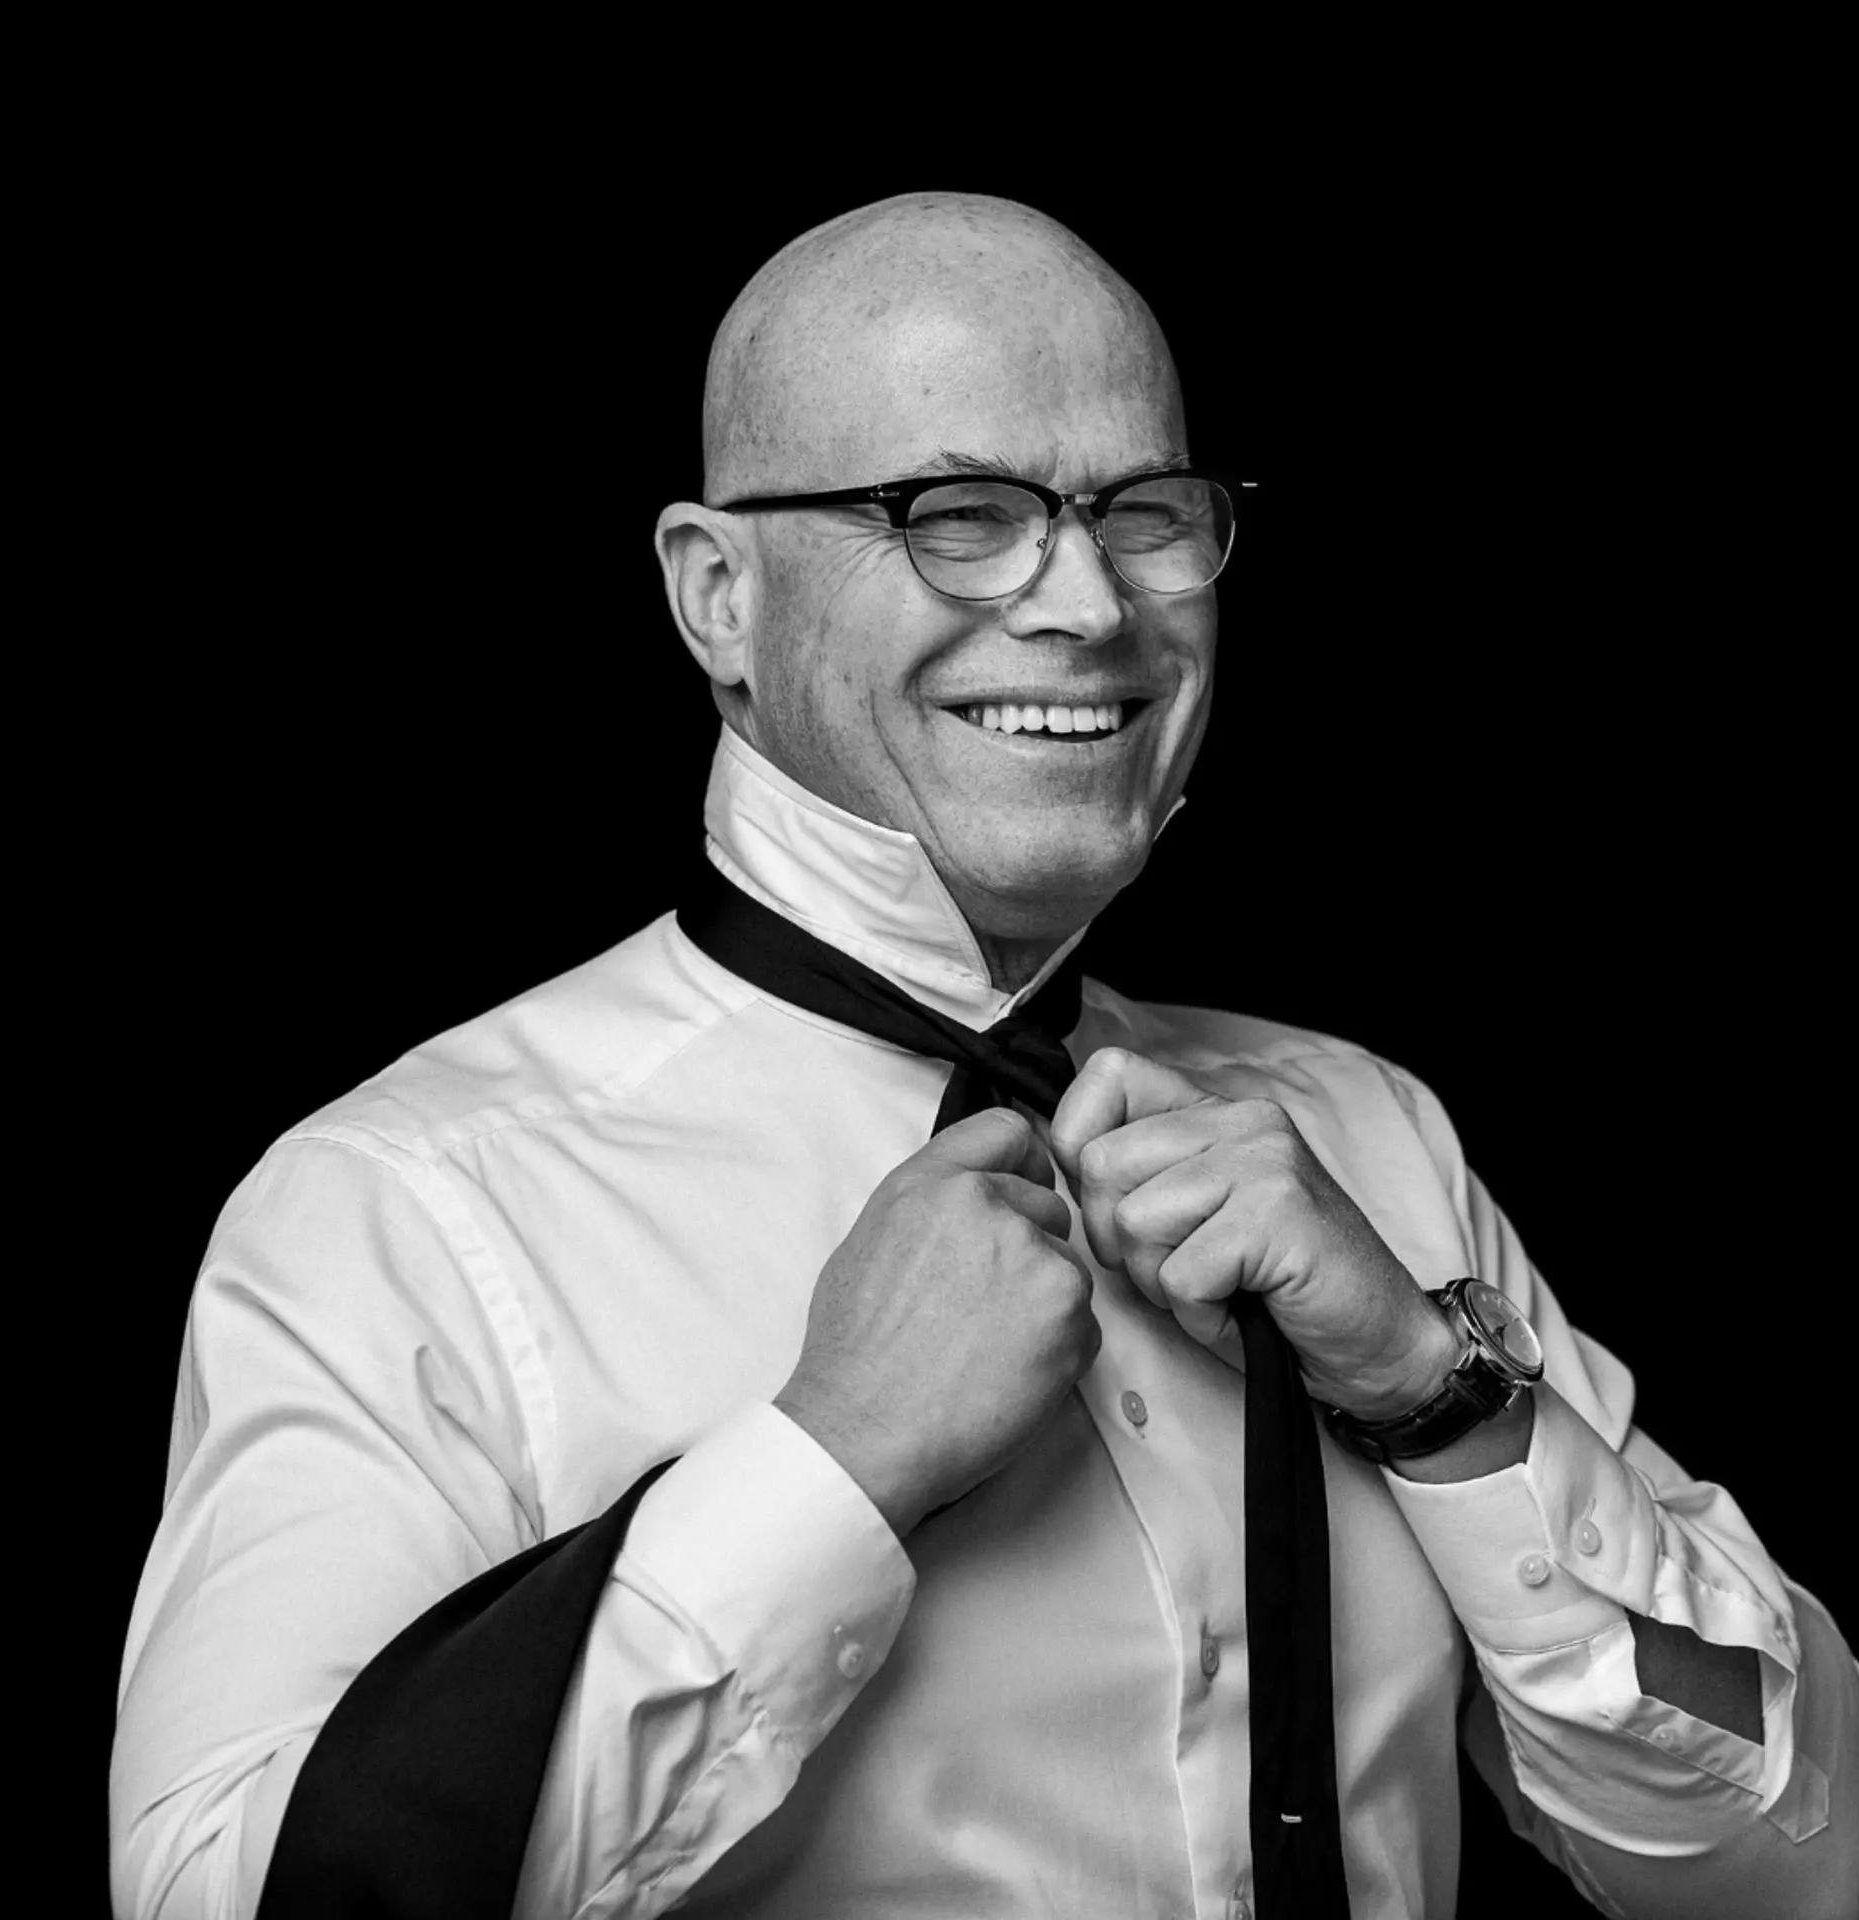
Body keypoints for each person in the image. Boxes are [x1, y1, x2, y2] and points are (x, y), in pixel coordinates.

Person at [109, 190, 1857, 1919]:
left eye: (1144, 513)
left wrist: (1436, 1395)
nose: (1089, 605)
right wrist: (829, 1466)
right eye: (959, 515)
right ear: (718, 595)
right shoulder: (408, 1207)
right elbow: (220, 1893)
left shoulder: (1370, 1135)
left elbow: (1790, 1857)